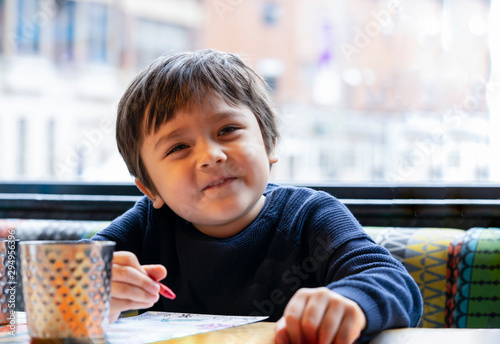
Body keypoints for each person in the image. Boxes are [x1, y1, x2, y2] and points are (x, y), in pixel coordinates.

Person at [92, 49, 423, 344]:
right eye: (179, 147)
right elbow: (55, 288)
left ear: (268, 143)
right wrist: (89, 297)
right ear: (150, 189)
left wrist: (350, 302)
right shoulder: (147, 226)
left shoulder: (311, 215)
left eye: (227, 130)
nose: (211, 155)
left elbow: (394, 282)